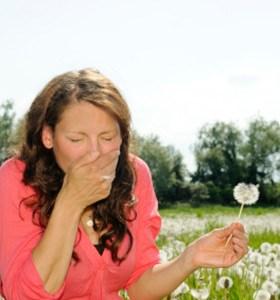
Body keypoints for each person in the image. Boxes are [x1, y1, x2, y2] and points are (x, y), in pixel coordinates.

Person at [0, 68, 248, 300]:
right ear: (48, 136)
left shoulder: (134, 175)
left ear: (122, 136)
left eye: (107, 137)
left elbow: (140, 285)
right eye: (77, 139)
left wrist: (191, 258)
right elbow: (24, 295)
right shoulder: (16, 180)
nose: (95, 153)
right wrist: (70, 202)